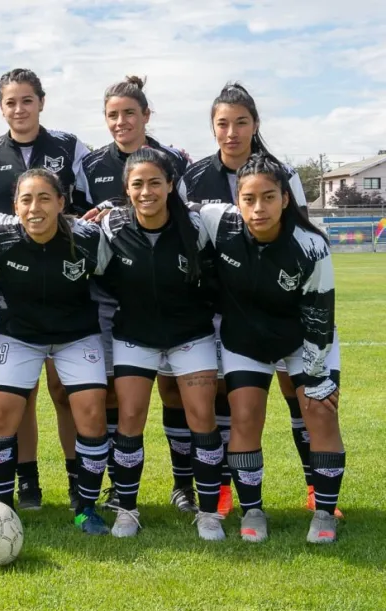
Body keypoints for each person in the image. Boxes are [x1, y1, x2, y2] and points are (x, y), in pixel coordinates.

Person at [179, 83, 339, 518]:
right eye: (223, 124)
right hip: (226, 307)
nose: (231, 132)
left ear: (255, 125)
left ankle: (315, 486)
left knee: (298, 393)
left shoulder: (282, 173)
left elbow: (298, 233)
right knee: (231, 400)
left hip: (283, 304)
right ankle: (227, 491)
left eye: (241, 122)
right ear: (212, 128)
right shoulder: (194, 176)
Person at [198, 153, 343, 543]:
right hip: (245, 339)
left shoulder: (311, 245)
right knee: (245, 416)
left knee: (320, 413)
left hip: (305, 339)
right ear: (237, 200)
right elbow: (171, 208)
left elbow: (320, 316)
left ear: (285, 199)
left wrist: (317, 379)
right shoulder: (217, 222)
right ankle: (253, 511)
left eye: (268, 197)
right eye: (249, 199)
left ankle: (325, 513)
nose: (258, 208)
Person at [78, 76, 198, 514]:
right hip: (108, 296)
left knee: (173, 391)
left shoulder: (173, 160)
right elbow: (78, 218)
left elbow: (187, 218)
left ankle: (183, 485)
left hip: (166, 295)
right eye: (112, 114)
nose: (121, 121)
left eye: (130, 112)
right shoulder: (90, 164)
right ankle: (119, 487)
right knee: (117, 395)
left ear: (147, 115)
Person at [0, 168, 111, 535]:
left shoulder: (89, 237)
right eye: (26, 200)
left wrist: (112, 207)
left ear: (62, 203)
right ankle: (2, 509)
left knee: (92, 413)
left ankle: (85, 508)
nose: (35, 208)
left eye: (45, 198)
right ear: (15, 206)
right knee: (2, 413)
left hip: (76, 335)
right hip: (20, 336)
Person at [0, 68, 91, 511]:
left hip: (66, 283)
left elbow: (90, 207)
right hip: (14, 290)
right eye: (11, 102)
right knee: (19, 394)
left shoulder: (69, 146)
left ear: (41, 102)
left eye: (27, 100)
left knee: (64, 390)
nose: (19, 109)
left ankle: (77, 479)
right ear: (0, 107)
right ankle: (27, 483)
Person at [98, 148, 225, 540]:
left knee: (201, 416)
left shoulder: (197, 225)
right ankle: (126, 509)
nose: (146, 191)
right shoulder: (111, 226)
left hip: (191, 335)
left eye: (155, 182)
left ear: (171, 185)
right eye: (137, 184)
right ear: (126, 189)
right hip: (135, 336)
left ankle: (208, 513)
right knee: (130, 416)